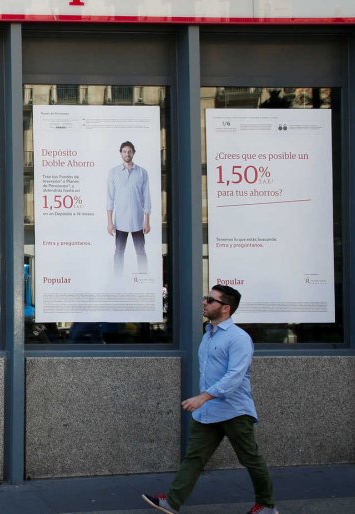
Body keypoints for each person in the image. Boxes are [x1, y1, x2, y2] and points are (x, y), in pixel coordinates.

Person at [141, 285, 278, 514]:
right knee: (194, 457)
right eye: (206, 298)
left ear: (226, 308)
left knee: (251, 459)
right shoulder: (208, 334)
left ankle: (266, 506)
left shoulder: (238, 338)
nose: (204, 302)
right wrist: (205, 401)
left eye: (211, 300)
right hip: (209, 411)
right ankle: (171, 502)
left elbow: (234, 377)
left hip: (235, 411)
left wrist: (203, 397)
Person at [106, 140, 151, 275]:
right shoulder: (113, 173)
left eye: (129, 151)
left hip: (138, 221)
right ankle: (118, 279)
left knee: (141, 252)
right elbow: (109, 199)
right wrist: (110, 222)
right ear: (121, 153)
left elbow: (146, 197)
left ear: (133, 153)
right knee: (119, 252)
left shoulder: (142, 173)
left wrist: (147, 221)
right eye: (124, 151)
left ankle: (143, 277)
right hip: (120, 221)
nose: (127, 154)